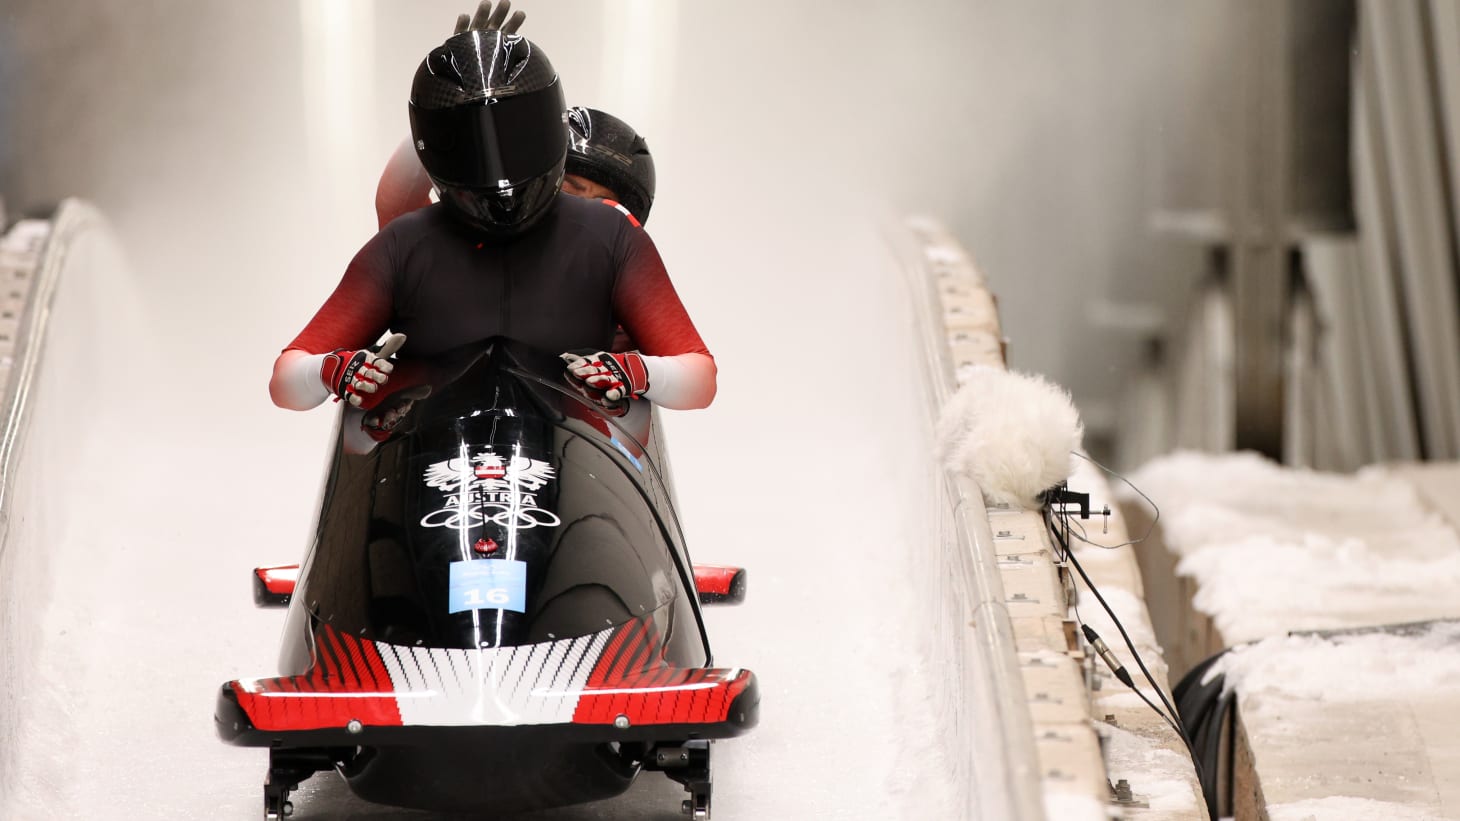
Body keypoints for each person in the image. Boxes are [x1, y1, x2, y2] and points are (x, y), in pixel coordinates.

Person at [269, 21, 714, 434]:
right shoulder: (404, 244)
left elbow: (697, 375)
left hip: (568, 453)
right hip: (430, 451)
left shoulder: (613, 239)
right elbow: (287, 379)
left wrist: (642, 371)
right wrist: (325, 370)